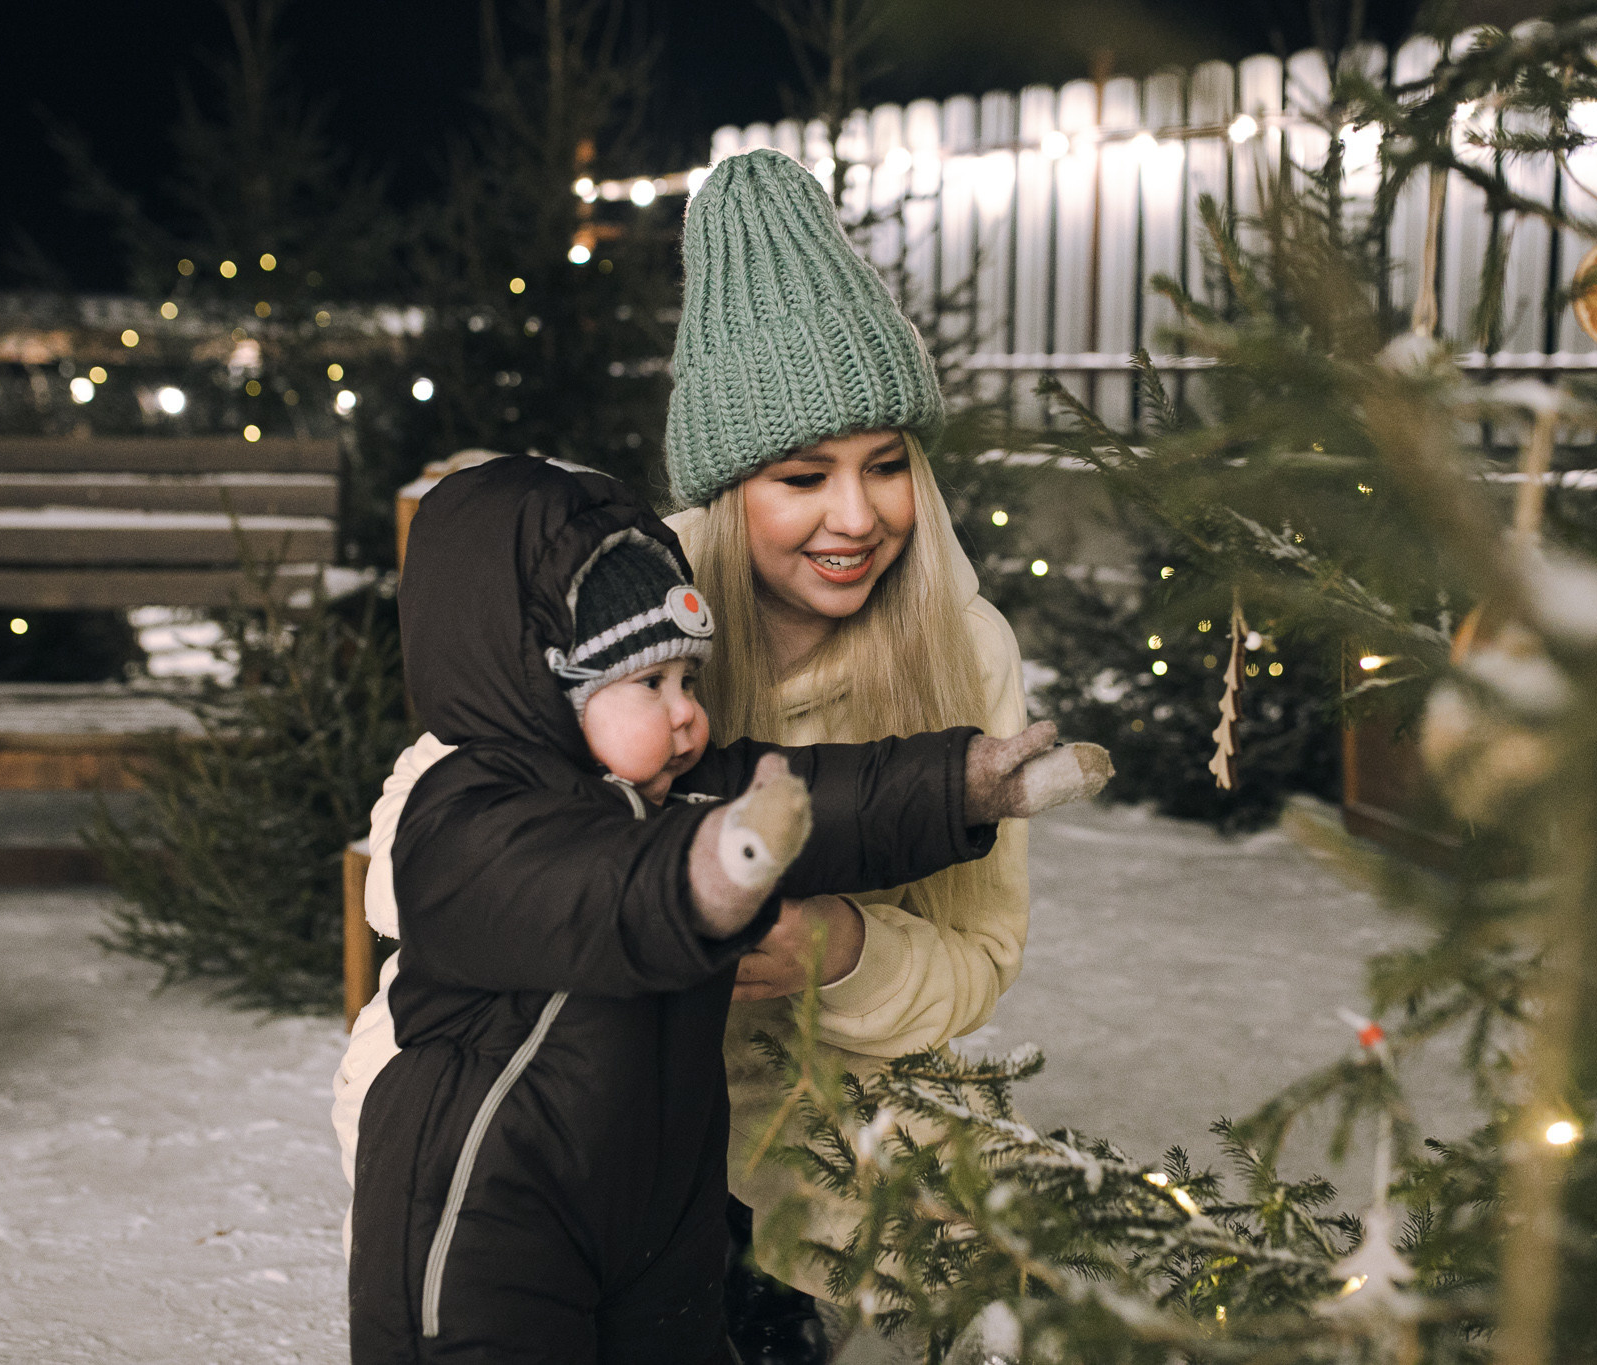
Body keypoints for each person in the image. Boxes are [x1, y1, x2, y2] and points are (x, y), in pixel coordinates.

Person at [346, 453, 1107, 1364]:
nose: (688, 717)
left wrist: (963, 786)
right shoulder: (466, 814)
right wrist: (703, 873)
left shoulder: (670, 779)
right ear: (545, 688)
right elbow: (581, 886)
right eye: (649, 686)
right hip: (490, 1198)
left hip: (657, 1188)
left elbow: (821, 800)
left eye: (690, 683)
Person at [659, 148, 1039, 1359]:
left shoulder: (962, 647)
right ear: (726, 495)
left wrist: (843, 950)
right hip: (633, 1121)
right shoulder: (626, 625)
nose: (857, 517)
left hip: (848, 1124)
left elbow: (981, 958)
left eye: (886, 465)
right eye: (800, 476)